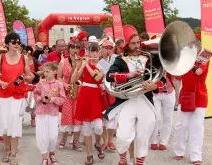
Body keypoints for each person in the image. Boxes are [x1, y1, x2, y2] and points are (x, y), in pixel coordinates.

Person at [105, 33, 163, 165]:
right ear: (127, 45)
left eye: (138, 43)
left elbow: (162, 79)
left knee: (143, 135)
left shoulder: (150, 58)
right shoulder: (121, 59)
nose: (137, 46)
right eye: (133, 43)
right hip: (128, 100)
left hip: (145, 100)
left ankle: (140, 162)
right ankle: (123, 158)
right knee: (123, 136)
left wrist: (154, 85)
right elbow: (109, 76)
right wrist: (128, 75)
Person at [0, 33, 34, 164]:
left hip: (18, 96)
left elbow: (30, 75)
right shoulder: (1, 58)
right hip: (4, 96)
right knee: (4, 125)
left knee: (15, 123)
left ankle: (13, 154)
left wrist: (28, 78)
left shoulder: (24, 58)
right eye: (14, 42)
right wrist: (2, 83)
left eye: (18, 42)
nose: (17, 44)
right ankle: (7, 150)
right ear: (8, 44)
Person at [173, 34, 209, 165]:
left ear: (198, 44)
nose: (188, 46)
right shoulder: (185, 57)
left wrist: (187, 64)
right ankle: (179, 151)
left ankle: (196, 156)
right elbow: (177, 77)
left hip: (200, 95)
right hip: (186, 93)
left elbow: (199, 71)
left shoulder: (205, 55)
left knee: (197, 127)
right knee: (181, 125)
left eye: (191, 44)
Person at [74, 43, 105, 165]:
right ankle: (89, 155)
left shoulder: (103, 64)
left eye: (96, 51)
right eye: (92, 51)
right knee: (86, 129)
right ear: (88, 52)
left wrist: (87, 64)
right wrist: (79, 66)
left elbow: (97, 78)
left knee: (98, 127)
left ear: (99, 52)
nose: (94, 54)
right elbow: (75, 79)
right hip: (85, 95)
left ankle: (97, 143)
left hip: (96, 96)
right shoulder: (84, 63)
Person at [34, 62, 66, 165]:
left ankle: (52, 153)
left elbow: (63, 99)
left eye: (48, 71)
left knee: (53, 135)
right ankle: (44, 157)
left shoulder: (59, 84)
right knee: (41, 135)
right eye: (44, 71)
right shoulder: (41, 82)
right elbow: (35, 93)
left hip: (53, 112)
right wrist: (40, 99)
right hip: (41, 112)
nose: (45, 73)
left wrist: (52, 99)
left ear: (55, 71)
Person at [57, 39, 83, 151]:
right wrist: (65, 84)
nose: (75, 50)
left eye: (77, 48)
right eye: (73, 47)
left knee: (78, 117)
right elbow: (58, 77)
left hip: (79, 91)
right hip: (68, 92)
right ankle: (63, 139)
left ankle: (75, 142)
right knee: (67, 115)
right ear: (69, 49)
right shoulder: (63, 62)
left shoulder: (82, 61)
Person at [150, 72, 176, 151]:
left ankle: (163, 142)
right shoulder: (155, 61)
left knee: (168, 118)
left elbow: (178, 77)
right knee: (156, 117)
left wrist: (171, 71)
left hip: (169, 92)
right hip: (156, 92)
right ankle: (153, 140)